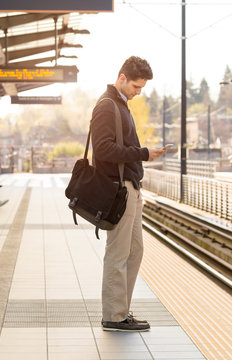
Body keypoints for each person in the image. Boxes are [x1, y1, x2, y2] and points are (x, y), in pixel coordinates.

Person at [91, 56, 166, 332]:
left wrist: (141, 154)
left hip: (131, 188)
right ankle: (113, 315)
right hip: (118, 189)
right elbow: (103, 150)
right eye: (136, 86)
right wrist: (143, 153)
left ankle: (121, 311)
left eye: (142, 87)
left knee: (135, 251)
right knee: (119, 252)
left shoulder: (120, 105)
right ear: (121, 78)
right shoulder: (107, 106)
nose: (139, 92)